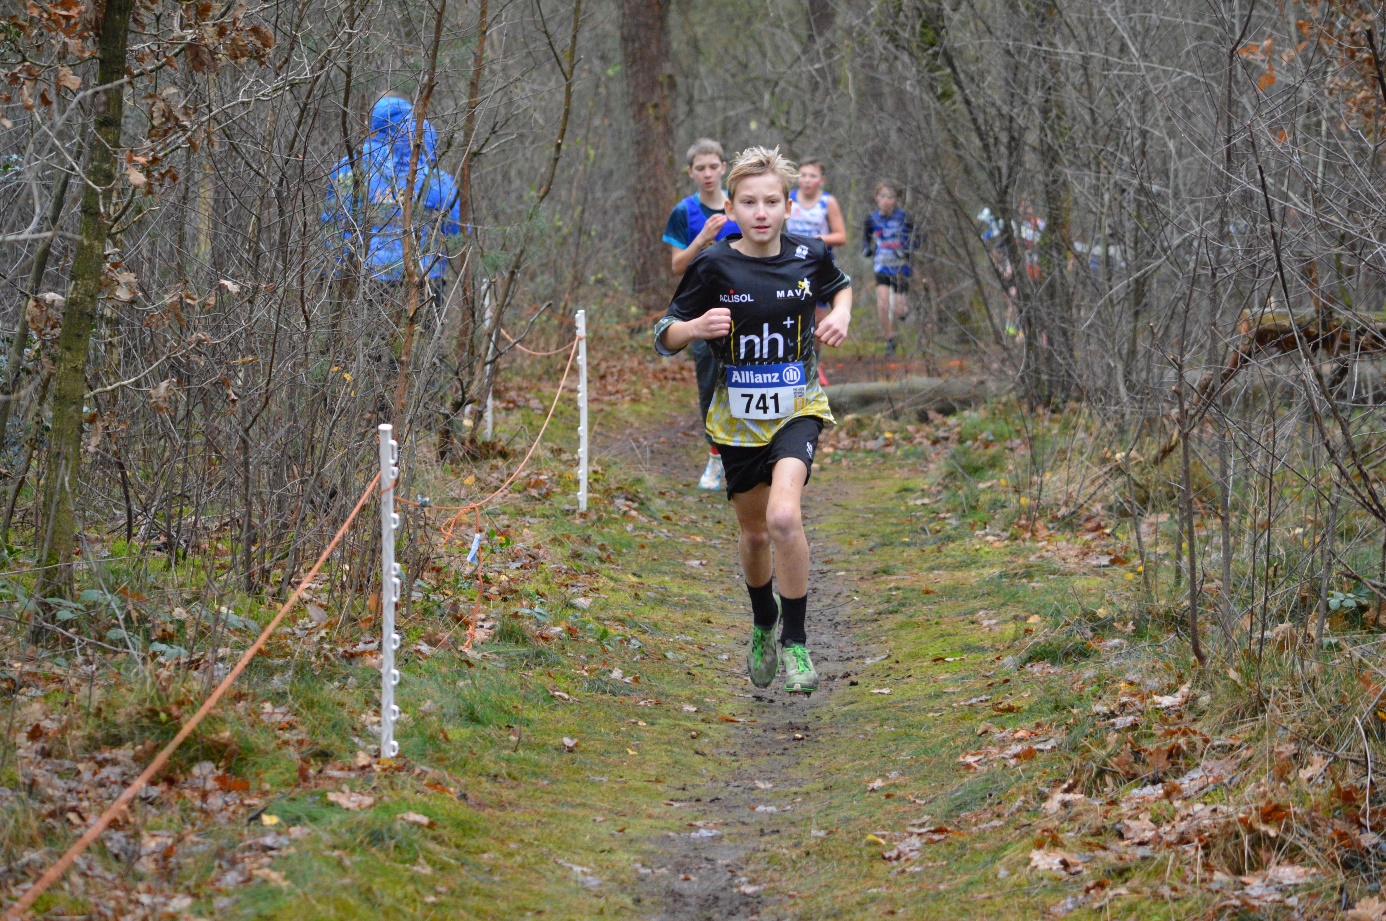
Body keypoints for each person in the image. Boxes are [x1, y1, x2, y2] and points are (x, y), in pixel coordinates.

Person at [654, 147, 852, 695]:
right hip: (737, 419)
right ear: (732, 209)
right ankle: (764, 622)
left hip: (798, 408)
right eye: (749, 202)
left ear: (788, 207)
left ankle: (796, 644)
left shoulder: (810, 256)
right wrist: (694, 328)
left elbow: (840, 288)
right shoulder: (714, 264)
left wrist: (840, 314)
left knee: (785, 517)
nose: (761, 212)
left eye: (771, 201)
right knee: (755, 532)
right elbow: (662, 335)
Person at [663, 139, 741, 491]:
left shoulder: (738, 204)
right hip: (702, 314)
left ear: (723, 167)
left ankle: (745, 457)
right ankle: (715, 459)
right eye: (700, 168)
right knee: (710, 386)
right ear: (691, 172)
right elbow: (677, 266)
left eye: (713, 166)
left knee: (746, 381)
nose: (708, 174)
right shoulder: (684, 212)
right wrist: (703, 239)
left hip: (745, 308)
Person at [786, 157, 846, 386]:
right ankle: (793, 361)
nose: (807, 180)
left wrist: (815, 240)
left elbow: (841, 236)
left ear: (821, 180)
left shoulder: (827, 202)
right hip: (792, 266)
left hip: (820, 266)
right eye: (802, 175)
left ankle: (814, 363)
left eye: (812, 176)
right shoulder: (788, 198)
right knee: (794, 315)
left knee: (819, 320)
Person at [861, 182, 919, 357]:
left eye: (891, 197)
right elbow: (865, 239)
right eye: (883, 196)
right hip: (881, 266)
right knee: (883, 304)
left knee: (899, 309)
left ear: (896, 200)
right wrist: (867, 249)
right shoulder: (872, 219)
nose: (887, 201)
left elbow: (919, 239)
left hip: (901, 268)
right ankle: (890, 340)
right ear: (877, 198)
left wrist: (908, 248)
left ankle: (903, 314)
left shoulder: (904, 218)